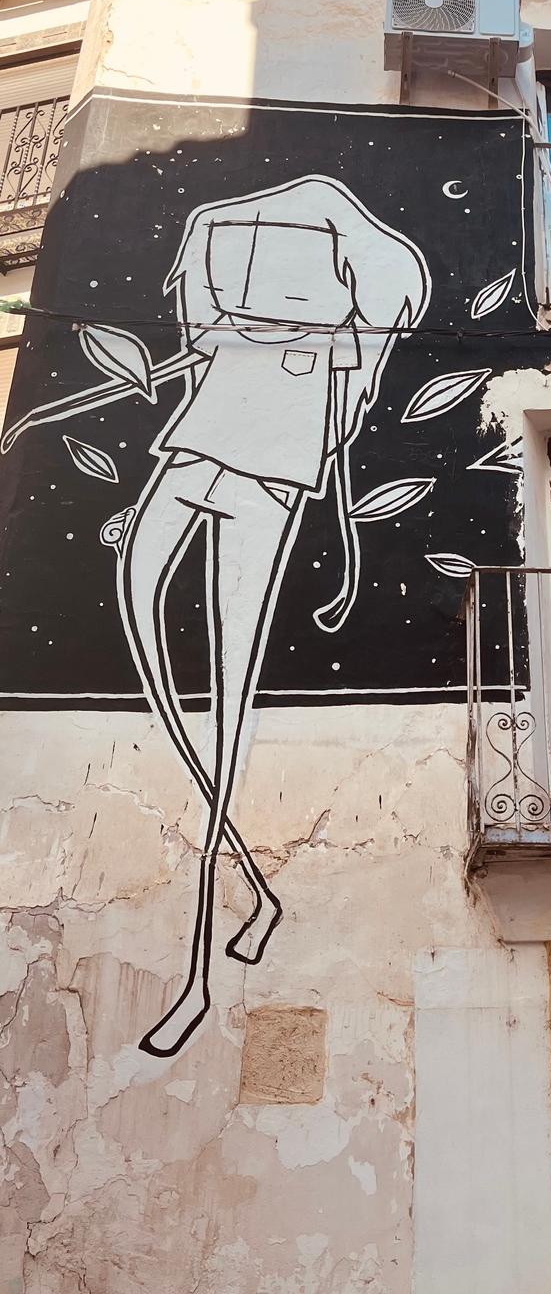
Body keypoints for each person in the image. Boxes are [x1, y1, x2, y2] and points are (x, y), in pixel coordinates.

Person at [113, 175, 430, 1055]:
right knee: (137, 602)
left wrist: (330, 364)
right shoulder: (218, 229)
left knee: (231, 682)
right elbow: (203, 335)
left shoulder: (360, 259)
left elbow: (369, 348)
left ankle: (197, 980)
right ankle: (259, 887)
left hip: (277, 459)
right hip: (201, 433)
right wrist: (232, 339)